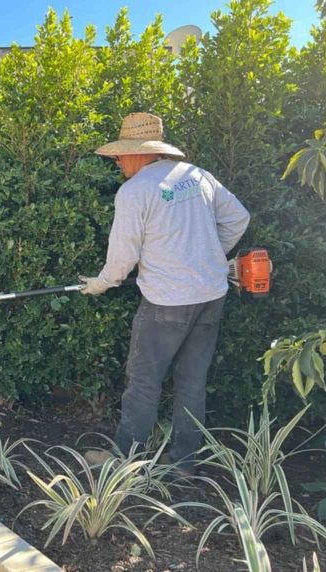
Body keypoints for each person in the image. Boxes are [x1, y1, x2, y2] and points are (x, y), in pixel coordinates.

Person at [80, 112, 250, 474]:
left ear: (139, 153)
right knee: (192, 381)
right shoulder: (197, 177)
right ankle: (185, 462)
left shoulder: (135, 191)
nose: (117, 161)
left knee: (143, 381)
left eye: (120, 155)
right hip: (210, 295)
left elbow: (122, 257)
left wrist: (101, 282)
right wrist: (209, 256)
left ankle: (125, 461)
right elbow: (238, 218)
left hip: (166, 303)